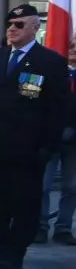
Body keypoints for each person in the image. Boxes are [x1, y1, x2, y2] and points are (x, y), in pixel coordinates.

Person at [0, 4, 69, 269]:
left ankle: (15, 251)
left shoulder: (50, 61)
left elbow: (57, 109)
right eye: (10, 24)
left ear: (36, 27)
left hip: (27, 149)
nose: (12, 28)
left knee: (24, 203)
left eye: (19, 24)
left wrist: (47, 147)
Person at [49, 37, 76, 245]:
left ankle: (63, 227)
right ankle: (39, 225)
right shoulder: (52, 71)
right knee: (43, 185)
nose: (74, 50)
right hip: (51, 136)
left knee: (72, 186)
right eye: (71, 45)